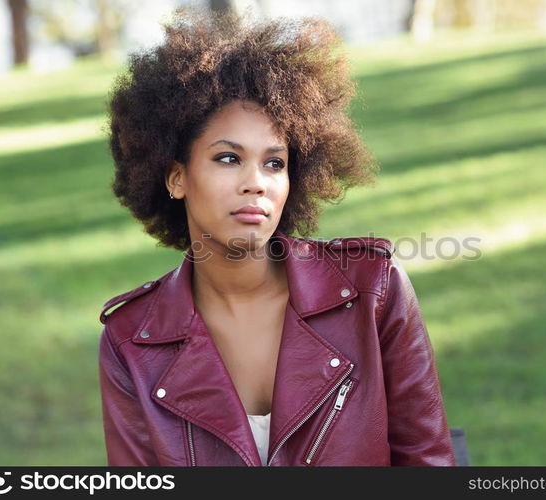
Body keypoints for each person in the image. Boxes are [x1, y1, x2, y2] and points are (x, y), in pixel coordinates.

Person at [98, 7, 456, 466]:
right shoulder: (132, 339)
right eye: (228, 158)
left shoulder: (373, 290)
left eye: (274, 163)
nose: (257, 182)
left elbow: (427, 461)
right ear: (175, 177)